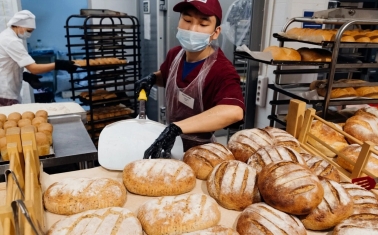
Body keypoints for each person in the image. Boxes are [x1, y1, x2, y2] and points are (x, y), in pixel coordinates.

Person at [136, 0, 245, 159]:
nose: (193, 29)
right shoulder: (176, 54)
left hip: (200, 154)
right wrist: (152, 78)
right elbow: (168, 76)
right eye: (187, 20)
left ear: (215, 32)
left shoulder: (221, 70)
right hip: (170, 145)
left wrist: (176, 128)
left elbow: (234, 111)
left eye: (203, 24)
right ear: (179, 21)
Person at [0, 10, 77, 106]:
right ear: (18, 25)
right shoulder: (11, 41)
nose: (29, 34)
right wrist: (60, 64)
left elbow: (6, 63)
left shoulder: (5, 36)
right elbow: (34, 68)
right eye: (28, 31)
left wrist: (26, 76)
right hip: (5, 93)